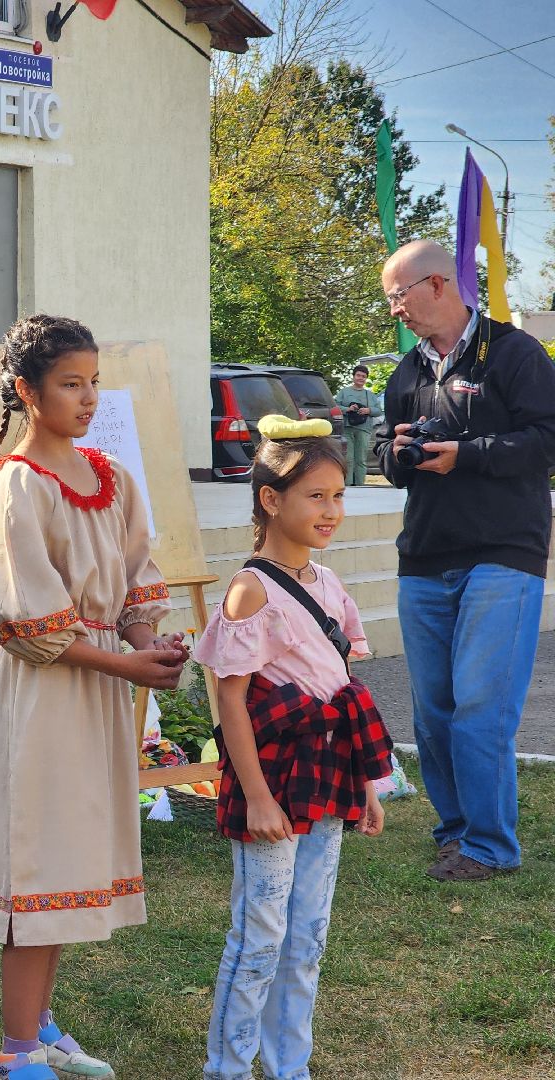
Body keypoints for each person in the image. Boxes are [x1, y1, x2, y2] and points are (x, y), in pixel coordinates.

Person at [0, 316, 185, 1080]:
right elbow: (32, 624)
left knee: (69, 857)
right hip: (51, 691)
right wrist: (125, 667)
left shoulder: (113, 478)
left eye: (94, 381)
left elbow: (136, 580)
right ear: (28, 392)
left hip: (99, 683)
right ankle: (15, 1051)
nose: (89, 397)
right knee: (41, 859)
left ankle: (40, 1023)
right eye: (72, 383)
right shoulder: (18, 486)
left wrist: (148, 645)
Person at [193, 417, 392, 1080]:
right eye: (316, 496)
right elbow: (230, 700)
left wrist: (366, 783)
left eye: (338, 495)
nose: (331, 511)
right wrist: (255, 797)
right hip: (273, 780)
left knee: (306, 939)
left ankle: (289, 1068)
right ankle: (228, 1068)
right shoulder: (252, 589)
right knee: (259, 940)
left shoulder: (329, 586)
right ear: (270, 500)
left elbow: (344, 690)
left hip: (329, 777)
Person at [375, 238, 555, 881]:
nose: (394, 308)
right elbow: (385, 456)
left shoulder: (513, 352)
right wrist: (397, 452)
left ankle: (489, 846)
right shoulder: (407, 372)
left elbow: (546, 440)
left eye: (399, 294)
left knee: (481, 706)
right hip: (424, 556)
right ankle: (455, 833)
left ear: (438, 285)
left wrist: (466, 453)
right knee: (434, 713)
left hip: (503, 553)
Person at [334, 363, 377, 486]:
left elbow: (378, 410)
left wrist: (368, 410)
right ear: (353, 376)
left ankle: (360, 485)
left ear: (366, 378)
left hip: (364, 429)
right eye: (358, 375)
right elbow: (335, 406)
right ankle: (347, 485)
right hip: (348, 428)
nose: (360, 378)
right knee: (348, 459)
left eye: (363, 376)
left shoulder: (370, 395)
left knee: (361, 459)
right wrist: (348, 409)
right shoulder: (344, 392)